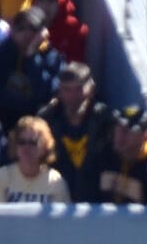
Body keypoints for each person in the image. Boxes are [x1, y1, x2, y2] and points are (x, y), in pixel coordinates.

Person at [0, 5, 58, 130]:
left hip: (36, 124)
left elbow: (45, 93)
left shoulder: (51, 57)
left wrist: (31, 56)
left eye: (33, 28)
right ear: (13, 29)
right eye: (21, 28)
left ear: (42, 32)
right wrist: (28, 103)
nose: (26, 33)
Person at [78, 104, 147, 206]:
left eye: (127, 131)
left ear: (145, 136)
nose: (120, 135)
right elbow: (85, 198)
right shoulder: (102, 157)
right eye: (118, 128)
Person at [36, 58, 108, 192]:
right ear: (59, 91)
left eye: (79, 89)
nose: (73, 96)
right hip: (55, 194)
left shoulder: (104, 120)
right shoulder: (46, 119)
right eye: (67, 90)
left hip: (94, 199)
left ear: (91, 89)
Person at [0, 112, 66, 204]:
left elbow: (63, 218)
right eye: (22, 142)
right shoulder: (0, 177)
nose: (26, 148)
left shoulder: (55, 181)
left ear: (45, 147)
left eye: (33, 142)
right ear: (15, 145)